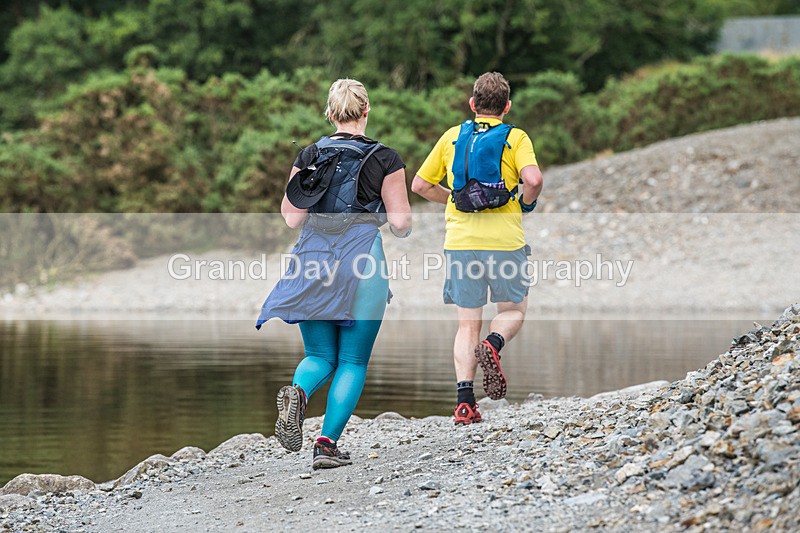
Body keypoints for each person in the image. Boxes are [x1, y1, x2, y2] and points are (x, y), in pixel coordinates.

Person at [256, 79, 412, 468]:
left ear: (330, 113)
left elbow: (291, 218)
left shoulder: (310, 154)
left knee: (320, 354)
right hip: (363, 257)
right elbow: (401, 224)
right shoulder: (386, 158)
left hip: (312, 255)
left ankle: (299, 393)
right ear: (366, 110)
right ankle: (325, 445)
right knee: (353, 361)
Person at [411, 71, 543, 425]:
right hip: (504, 242)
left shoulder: (453, 136)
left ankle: (464, 404)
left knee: (467, 324)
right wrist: (526, 205)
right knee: (514, 310)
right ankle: (495, 344)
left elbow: (420, 184)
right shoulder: (516, 137)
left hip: (461, 242)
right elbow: (533, 180)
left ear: (473, 105)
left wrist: (451, 198)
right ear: (507, 107)